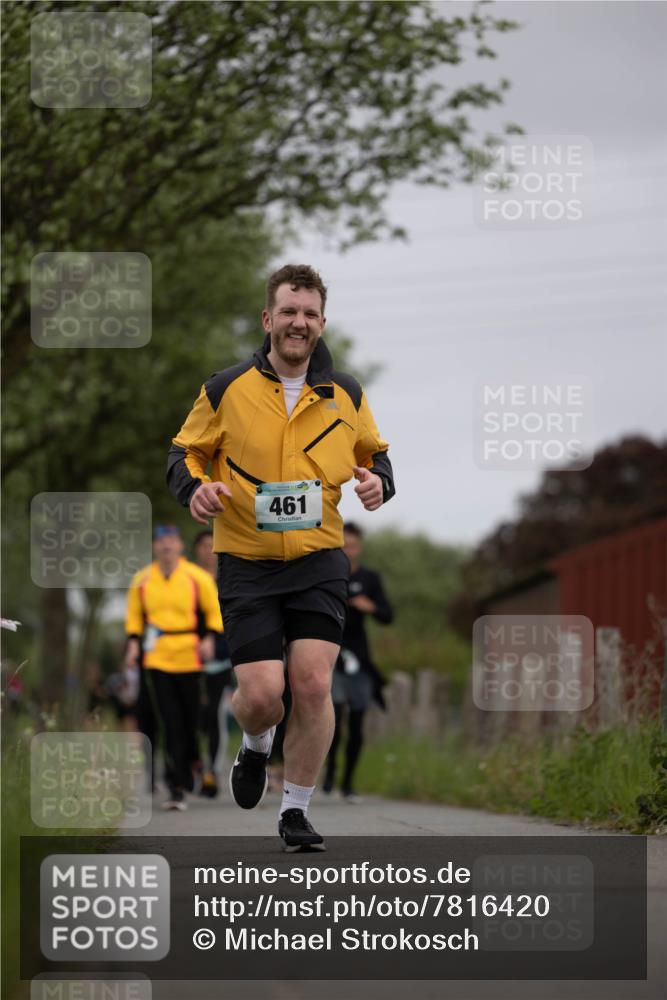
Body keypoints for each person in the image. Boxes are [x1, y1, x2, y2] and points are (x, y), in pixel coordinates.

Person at [167, 263, 395, 850]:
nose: (299, 323)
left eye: (310, 313)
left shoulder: (346, 393)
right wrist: (197, 490)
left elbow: (376, 456)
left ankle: (295, 810)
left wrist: (378, 485)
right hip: (247, 561)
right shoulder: (224, 388)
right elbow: (183, 454)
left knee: (313, 683)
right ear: (269, 319)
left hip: (319, 559)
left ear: (322, 323)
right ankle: (256, 741)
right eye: (289, 311)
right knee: (265, 695)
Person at [124, 524, 223, 811]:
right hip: (156, 658)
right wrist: (133, 645)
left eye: (171, 540)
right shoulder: (142, 580)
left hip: (190, 656)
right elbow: (134, 619)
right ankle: (175, 785)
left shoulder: (198, 577)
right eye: (161, 541)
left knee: (192, 721)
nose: (166, 546)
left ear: (180, 545)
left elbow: (213, 611)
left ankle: (192, 761)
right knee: (170, 721)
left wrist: (209, 638)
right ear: (155, 547)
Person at [323, 522, 394, 801]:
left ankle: (348, 783)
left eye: (352, 545)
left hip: (360, 659)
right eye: (343, 545)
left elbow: (388, 616)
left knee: (357, 721)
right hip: (331, 656)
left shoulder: (370, 578)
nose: (347, 550)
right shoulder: (326, 576)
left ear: (359, 547)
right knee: (334, 718)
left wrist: (371, 606)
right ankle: (329, 772)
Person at [193, 528, 234, 798]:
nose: (208, 550)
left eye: (212, 545)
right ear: (196, 550)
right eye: (204, 545)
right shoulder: (189, 580)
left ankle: (213, 770)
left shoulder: (231, 578)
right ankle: (194, 767)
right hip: (188, 658)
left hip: (221, 657)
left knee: (216, 715)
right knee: (195, 716)